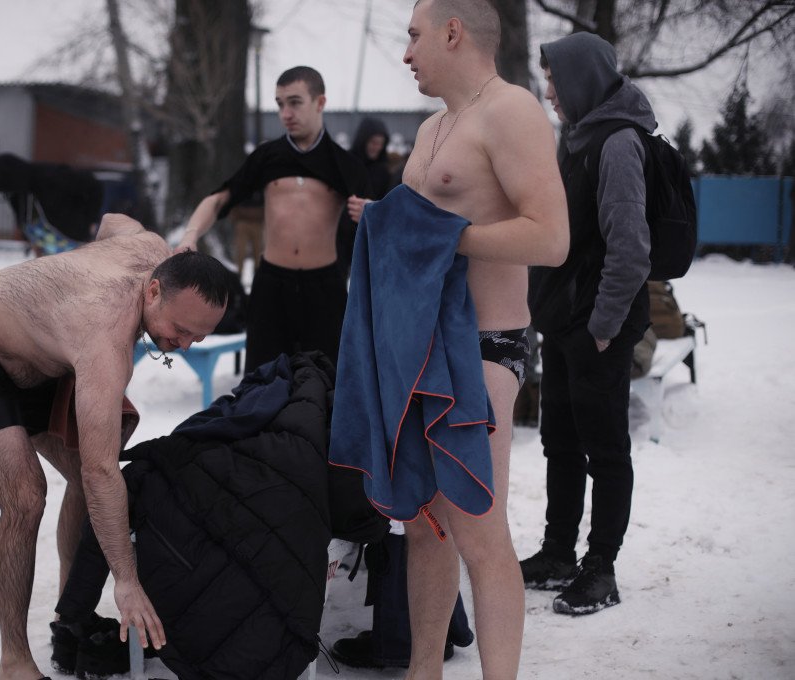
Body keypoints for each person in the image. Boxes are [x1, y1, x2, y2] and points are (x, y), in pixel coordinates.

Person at [331, 2, 570, 679]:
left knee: (477, 528)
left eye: (414, 36)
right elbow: (423, 224)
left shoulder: (512, 111)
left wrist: (440, 239)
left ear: (453, 32)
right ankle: (423, 671)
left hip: (486, 344)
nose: (407, 53)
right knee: (424, 524)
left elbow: (551, 237)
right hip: (420, 345)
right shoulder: (433, 127)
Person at [0, 213, 233, 680]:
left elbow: (112, 221)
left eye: (198, 337)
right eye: (180, 329)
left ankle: (69, 617)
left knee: (93, 482)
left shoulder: (152, 250)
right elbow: (100, 470)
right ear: (153, 291)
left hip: (39, 358)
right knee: (26, 498)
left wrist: (73, 277)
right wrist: (125, 580)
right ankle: (14, 662)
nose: (184, 345)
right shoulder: (105, 342)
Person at [521, 32, 656, 616]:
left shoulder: (618, 143)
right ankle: (558, 552)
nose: (549, 91)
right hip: (565, 321)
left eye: (554, 80)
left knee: (605, 449)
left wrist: (602, 326)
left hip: (599, 324)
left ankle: (601, 568)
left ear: (580, 80)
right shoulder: (577, 137)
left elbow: (630, 249)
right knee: (560, 443)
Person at [175, 65, 369, 373]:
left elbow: (385, 222)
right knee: (262, 382)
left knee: (326, 381)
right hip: (272, 286)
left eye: (295, 102)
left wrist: (372, 211)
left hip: (325, 289)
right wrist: (190, 234)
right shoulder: (266, 157)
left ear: (320, 102)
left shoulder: (344, 164)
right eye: (280, 104)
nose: (285, 113)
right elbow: (219, 199)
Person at [338, 117, 393, 275]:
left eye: (381, 143)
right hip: (341, 235)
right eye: (373, 142)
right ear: (364, 140)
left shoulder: (383, 172)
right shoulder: (346, 163)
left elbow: (387, 204)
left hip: (369, 236)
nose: (377, 147)